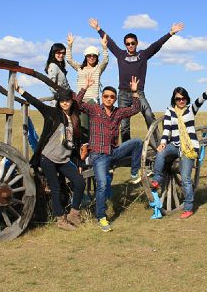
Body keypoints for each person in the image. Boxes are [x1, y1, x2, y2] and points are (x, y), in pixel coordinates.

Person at [88, 18, 185, 173]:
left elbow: (156, 45)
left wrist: (170, 33)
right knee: (124, 124)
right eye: (128, 43)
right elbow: (110, 43)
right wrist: (98, 29)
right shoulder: (121, 55)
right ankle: (127, 150)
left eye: (133, 43)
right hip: (123, 93)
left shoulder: (143, 55)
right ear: (125, 45)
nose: (130, 45)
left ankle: (159, 144)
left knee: (149, 115)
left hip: (138, 93)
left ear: (137, 43)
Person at [74, 75, 143, 232]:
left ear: (115, 99)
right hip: (99, 155)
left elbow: (135, 109)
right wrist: (85, 87)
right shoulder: (94, 110)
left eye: (112, 97)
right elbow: (77, 104)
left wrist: (134, 92)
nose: (109, 99)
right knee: (103, 184)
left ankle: (134, 173)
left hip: (113, 151)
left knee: (137, 142)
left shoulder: (118, 112)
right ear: (102, 97)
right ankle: (101, 217)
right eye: (106, 96)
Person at [15, 83, 85, 231]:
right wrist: (21, 90)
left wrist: (78, 163)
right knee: (55, 188)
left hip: (64, 159)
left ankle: (74, 214)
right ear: (59, 102)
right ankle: (61, 220)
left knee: (79, 181)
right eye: (62, 100)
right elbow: (37, 103)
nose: (64, 103)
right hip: (48, 158)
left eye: (67, 100)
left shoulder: (74, 119)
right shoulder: (53, 113)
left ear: (71, 101)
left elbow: (75, 144)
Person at [151, 80, 207, 219]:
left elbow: (200, 100)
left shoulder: (190, 110)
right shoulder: (170, 111)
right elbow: (167, 129)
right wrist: (163, 143)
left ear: (186, 98)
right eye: (178, 99)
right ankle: (157, 179)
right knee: (161, 152)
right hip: (175, 145)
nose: (181, 101)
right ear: (174, 99)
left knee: (186, 178)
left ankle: (188, 208)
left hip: (189, 147)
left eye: (183, 98)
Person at [66, 31, 109, 156]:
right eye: (89, 55)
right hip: (80, 100)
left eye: (94, 56)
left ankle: (90, 150)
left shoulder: (98, 69)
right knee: (80, 126)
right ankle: (82, 150)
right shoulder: (80, 68)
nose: (91, 57)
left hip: (92, 100)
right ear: (85, 56)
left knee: (92, 127)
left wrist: (104, 47)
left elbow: (105, 60)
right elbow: (69, 59)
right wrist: (70, 45)